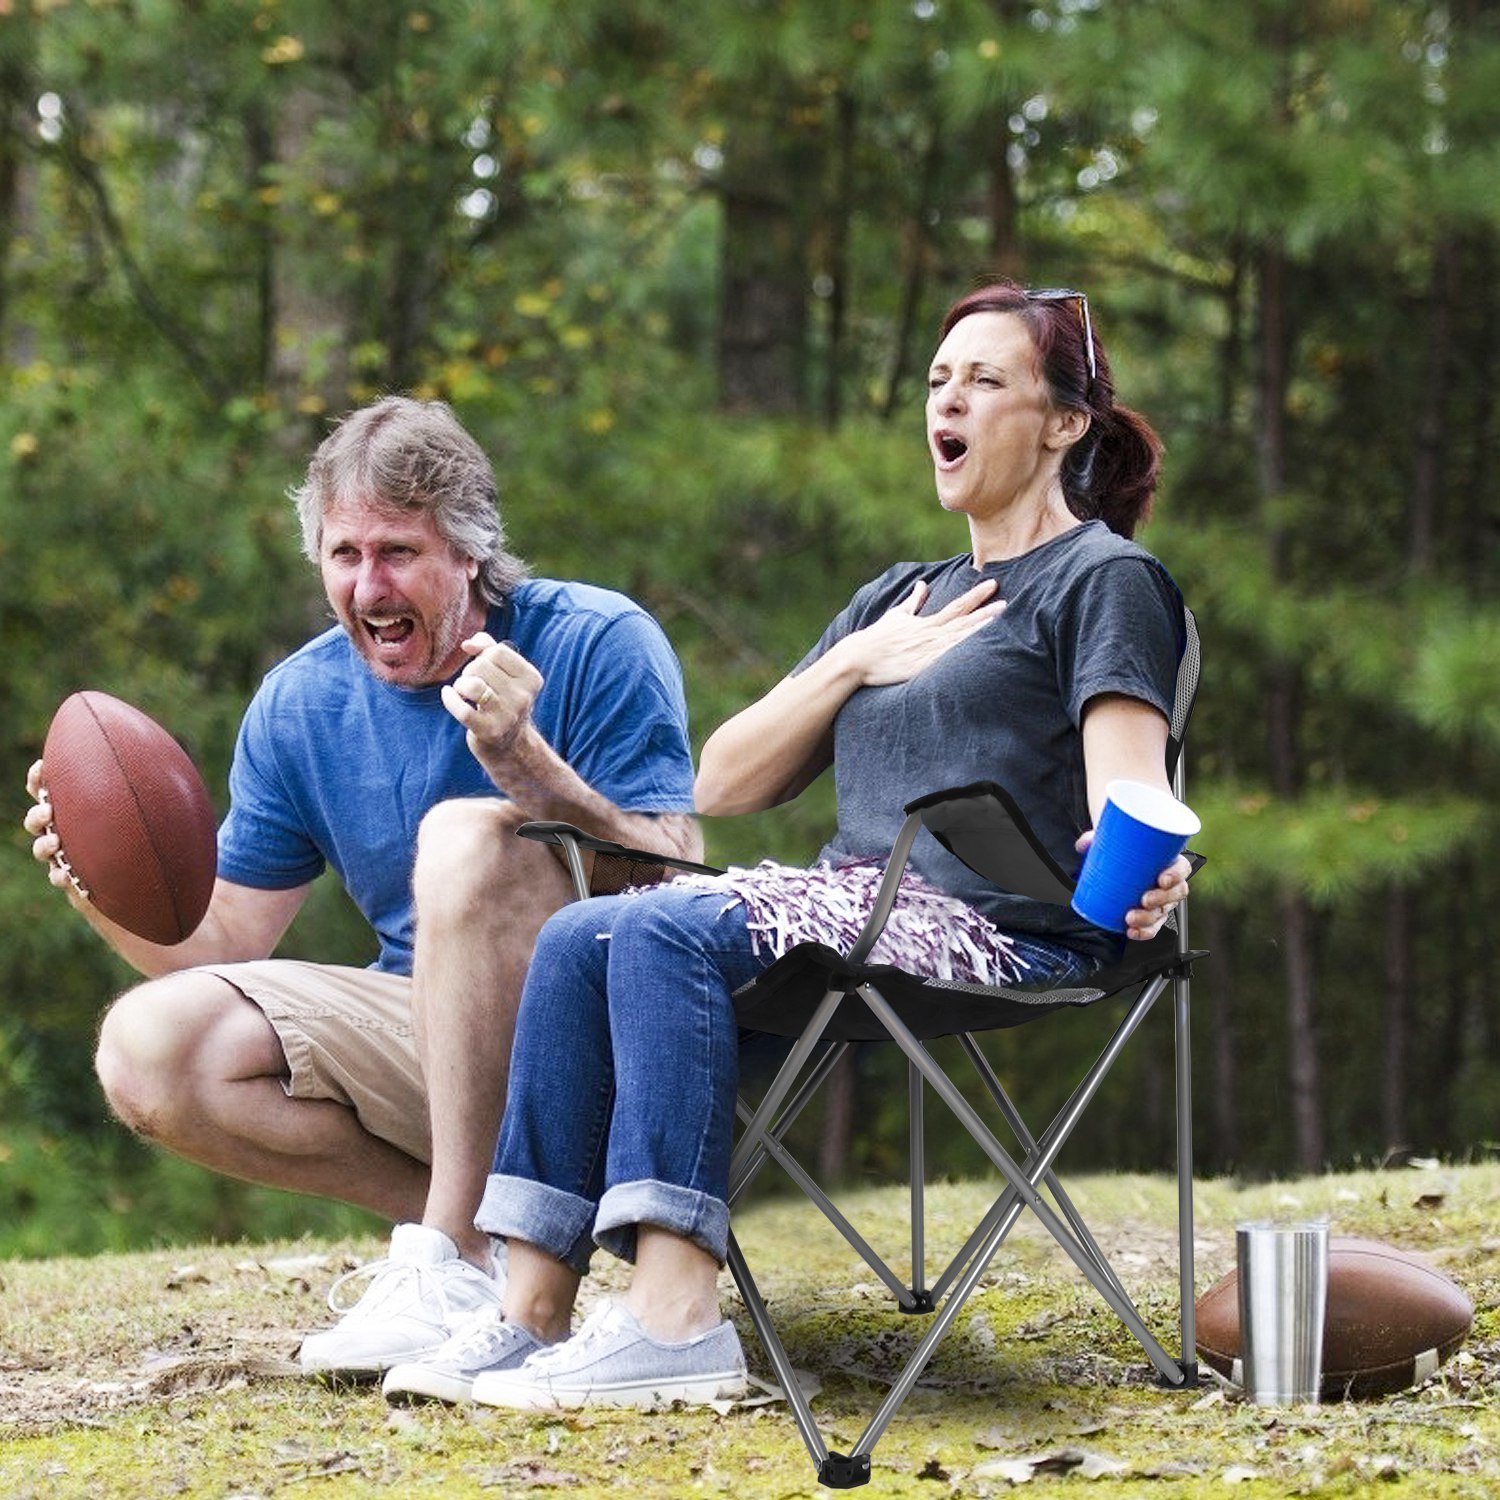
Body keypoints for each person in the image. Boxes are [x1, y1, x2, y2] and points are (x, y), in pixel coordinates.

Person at [375, 279, 1196, 1412]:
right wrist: (857, 659)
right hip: (855, 906)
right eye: (937, 381)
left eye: (984, 380)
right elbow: (724, 780)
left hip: (1004, 926)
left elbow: (1132, 790)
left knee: (661, 927)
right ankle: (529, 1312)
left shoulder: (1105, 579)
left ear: (1064, 422)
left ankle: (674, 1322)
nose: (947, 402)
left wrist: (1145, 872)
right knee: (581, 933)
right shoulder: (898, 596)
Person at [22, 396, 700, 1376]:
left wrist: (525, 764)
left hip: (612, 1048)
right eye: (345, 554)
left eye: (398, 552)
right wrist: (94, 880)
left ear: (468, 553)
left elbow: (674, 873)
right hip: (433, 1038)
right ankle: (469, 1251)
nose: (369, 584)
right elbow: (222, 942)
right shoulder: (300, 703)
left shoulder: (597, 641)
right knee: (149, 1047)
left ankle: (459, 1245)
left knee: (465, 835)